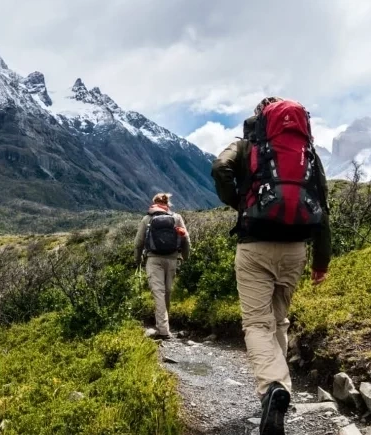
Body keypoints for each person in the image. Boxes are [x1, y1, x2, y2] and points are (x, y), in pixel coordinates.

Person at [211, 97, 331, 435]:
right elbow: (322, 203)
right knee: (279, 319)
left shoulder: (247, 145)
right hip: (296, 248)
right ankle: (280, 391)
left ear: (260, 118)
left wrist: (239, 202)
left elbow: (220, 168)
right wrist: (321, 260)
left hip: (255, 245)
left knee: (256, 324)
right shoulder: (306, 152)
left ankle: (273, 387)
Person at [134, 193, 191, 340]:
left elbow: (138, 243)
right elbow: (186, 239)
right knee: (167, 292)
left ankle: (163, 330)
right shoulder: (176, 218)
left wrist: (138, 260)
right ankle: (165, 326)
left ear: (154, 203)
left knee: (158, 293)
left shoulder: (147, 219)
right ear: (168, 203)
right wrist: (185, 257)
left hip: (153, 260)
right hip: (172, 259)